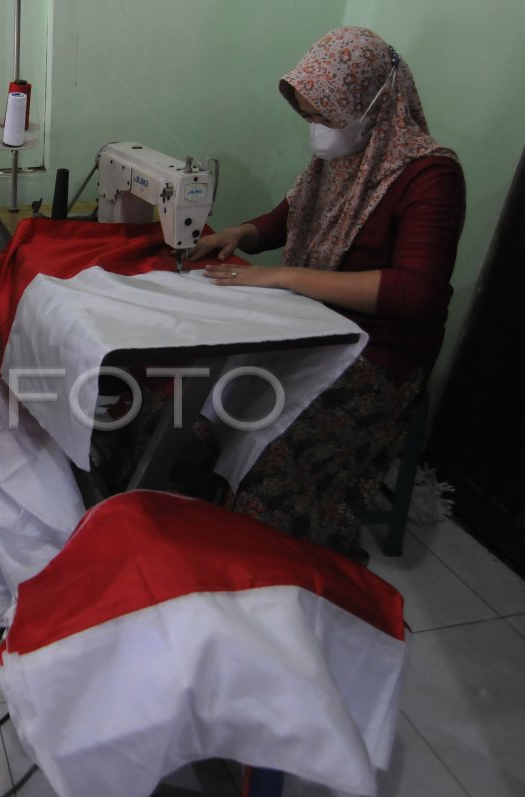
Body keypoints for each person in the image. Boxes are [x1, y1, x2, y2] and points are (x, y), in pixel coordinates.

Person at [188, 26, 465, 559]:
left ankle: (271, 563)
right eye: (309, 118)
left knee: (275, 456)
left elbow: (417, 292)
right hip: (311, 323)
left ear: (370, 101)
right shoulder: (342, 158)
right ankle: (198, 523)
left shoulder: (430, 174)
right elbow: (287, 221)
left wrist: (282, 276)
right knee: (204, 410)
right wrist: (238, 235)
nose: (316, 132)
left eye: (325, 117)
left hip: (379, 350)